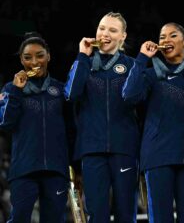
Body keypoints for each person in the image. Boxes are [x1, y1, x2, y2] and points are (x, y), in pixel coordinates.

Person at [122, 22, 184, 223]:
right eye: (162, 37)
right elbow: (129, 96)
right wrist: (142, 59)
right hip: (158, 157)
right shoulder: (151, 76)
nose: (166, 40)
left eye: (173, 35)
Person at [64, 12, 140, 223]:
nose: (105, 33)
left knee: (126, 213)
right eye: (102, 28)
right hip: (92, 149)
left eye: (112, 30)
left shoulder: (133, 65)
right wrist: (82, 56)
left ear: (123, 37)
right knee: (96, 214)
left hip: (124, 148)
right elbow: (70, 94)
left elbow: (140, 104)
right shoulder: (84, 64)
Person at [0, 32, 70, 223]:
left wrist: (74, 165)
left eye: (40, 55)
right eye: (27, 57)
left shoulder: (60, 90)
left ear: (49, 56)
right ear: (21, 60)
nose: (34, 62)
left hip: (56, 170)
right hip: (24, 169)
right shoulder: (10, 89)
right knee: (19, 218)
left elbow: (71, 127)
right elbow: (5, 123)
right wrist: (16, 91)